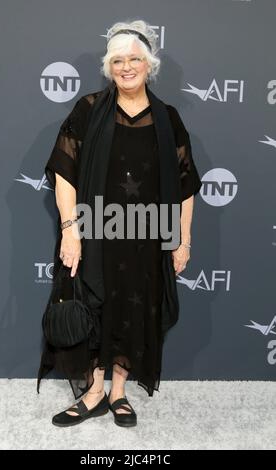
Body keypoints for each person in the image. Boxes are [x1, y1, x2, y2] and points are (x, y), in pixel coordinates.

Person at [37, 19, 202, 428]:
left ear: (150, 65)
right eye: (117, 61)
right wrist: (70, 230)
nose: (126, 67)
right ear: (109, 67)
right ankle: (93, 393)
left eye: (135, 59)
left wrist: (182, 241)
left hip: (146, 237)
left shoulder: (167, 118)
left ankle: (118, 392)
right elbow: (64, 174)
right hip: (94, 233)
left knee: (136, 311)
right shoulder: (89, 110)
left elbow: (185, 186)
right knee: (92, 308)